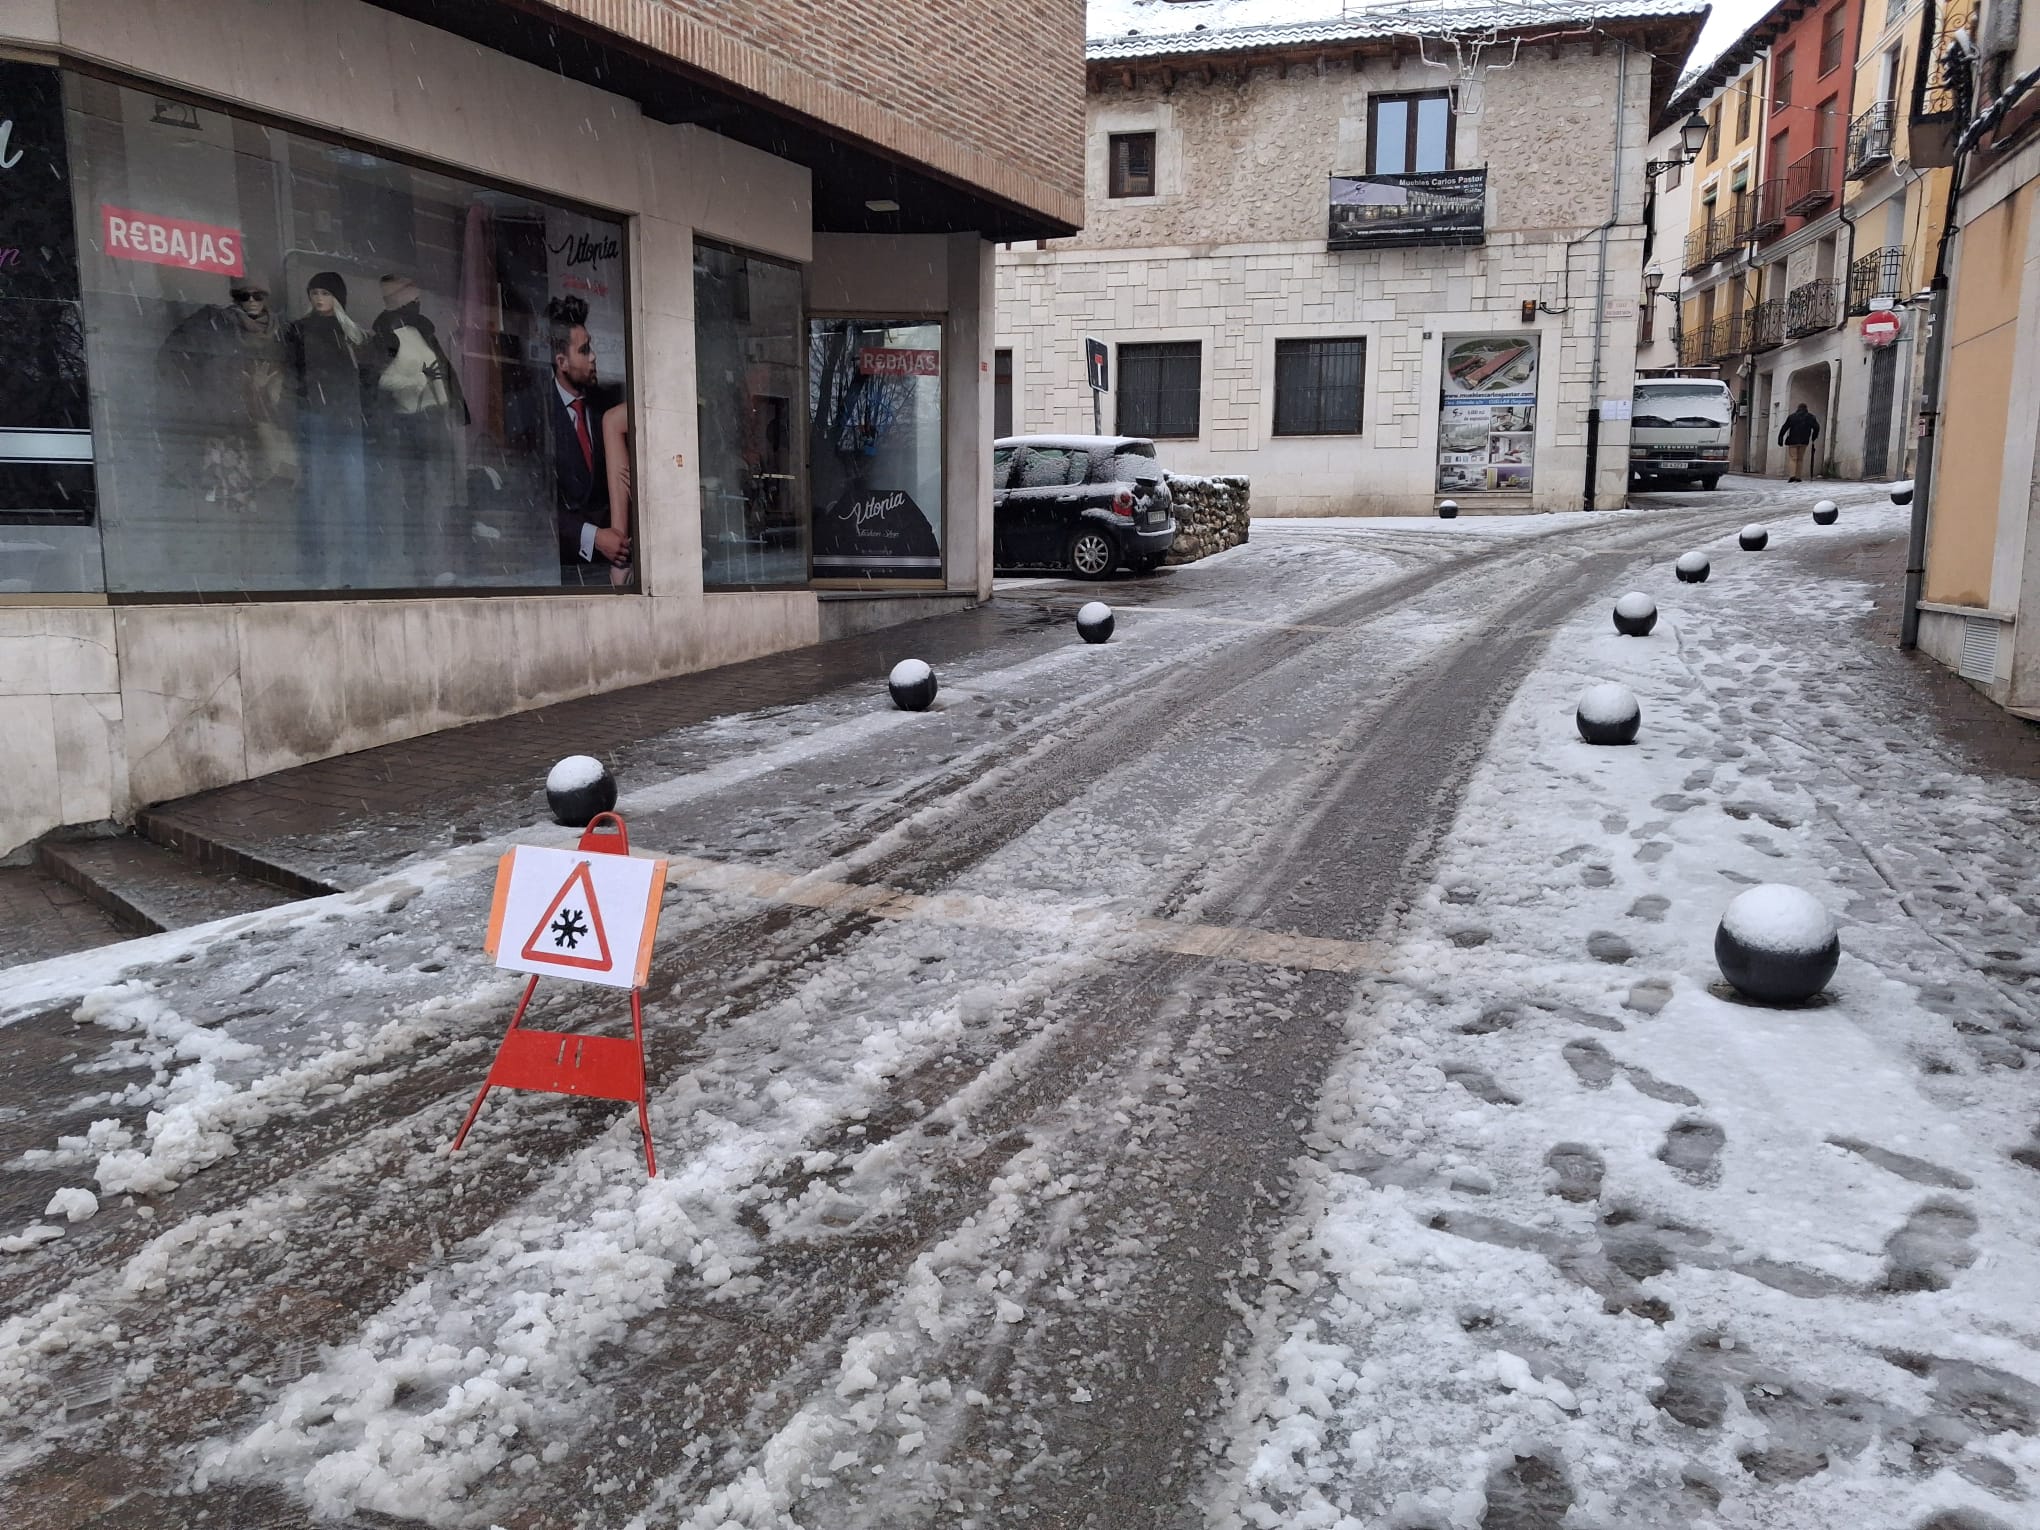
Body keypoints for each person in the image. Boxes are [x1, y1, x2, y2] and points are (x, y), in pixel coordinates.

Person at [530, 294, 630, 582]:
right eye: (585, 351)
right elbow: (536, 505)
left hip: (620, 567)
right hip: (567, 572)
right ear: (561, 362)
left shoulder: (608, 406)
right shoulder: (537, 413)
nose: (594, 357)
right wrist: (594, 537)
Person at [1778, 403, 1821, 482]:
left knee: (1793, 458)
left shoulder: (1792, 417)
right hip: (1804, 441)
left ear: (1798, 408)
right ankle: (1798, 476)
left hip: (1792, 440)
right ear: (1806, 408)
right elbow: (1817, 427)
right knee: (1800, 459)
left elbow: (1784, 427)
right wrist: (1814, 437)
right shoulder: (1811, 417)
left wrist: (1780, 438)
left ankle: (1792, 475)